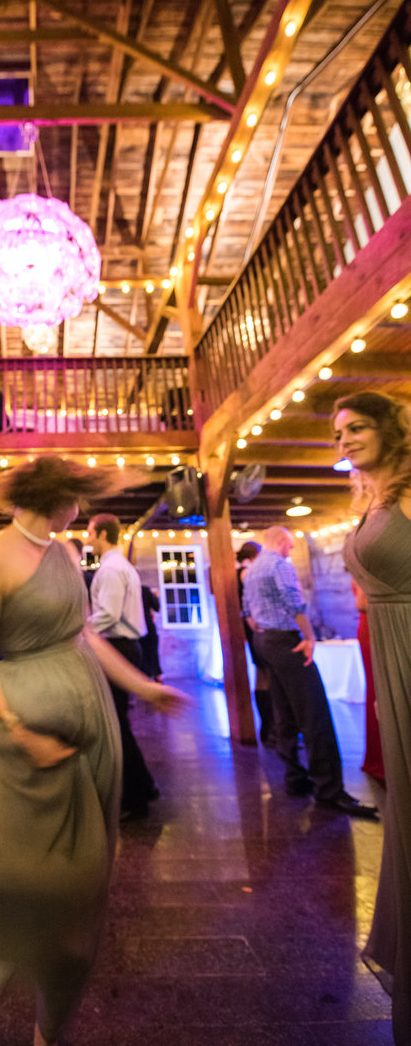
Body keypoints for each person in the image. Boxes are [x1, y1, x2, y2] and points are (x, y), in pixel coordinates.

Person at [0, 456, 189, 1046]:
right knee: (59, 868)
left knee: (95, 870)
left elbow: (85, 634)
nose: (80, 508)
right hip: (31, 723)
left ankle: (49, 1017)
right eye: (76, 496)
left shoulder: (67, 552)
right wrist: (20, 728)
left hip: (91, 711)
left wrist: (143, 686)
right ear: (60, 497)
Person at [333, 390, 411, 1042]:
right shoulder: (375, 498)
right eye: (339, 431)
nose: (346, 438)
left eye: (358, 426)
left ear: (391, 428)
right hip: (389, 658)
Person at [241, 524, 377, 819]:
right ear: (280, 541)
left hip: (264, 640)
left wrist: (265, 632)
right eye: (289, 545)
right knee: (315, 714)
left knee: (285, 713)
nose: (291, 550)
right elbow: (294, 602)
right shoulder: (278, 564)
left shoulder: (251, 570)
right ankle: (329, 790)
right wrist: (309, 637)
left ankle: (295, 779)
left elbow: (247, 612)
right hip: (286, 641)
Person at [85, 513, 159, 821]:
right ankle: (144, 786)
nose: (87, 537)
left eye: (90, 532)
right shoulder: (118, 566)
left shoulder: (113, 569)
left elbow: (109, 614)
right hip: (125, 646)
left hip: (118, 647)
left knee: (115, 724)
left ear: (102, 534)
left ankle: (136, 797)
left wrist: (78, 630)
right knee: (117, 722)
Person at [236, 541, 276, 747]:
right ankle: (270, 728)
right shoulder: (248, 573)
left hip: (253, 628)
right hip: (257, 628)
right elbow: (251, 603)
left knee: (263, 675)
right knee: (266, 675)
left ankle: (269, 728)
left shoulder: (242, 572)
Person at [350, 578, 385, 783]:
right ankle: (382, 759)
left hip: (380, 624)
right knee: (378, 690)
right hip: (375, 626)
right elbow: (361, 603)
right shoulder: (363, 566)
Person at [140, 585, 162, 679]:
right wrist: (156, 596)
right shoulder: (145, 590)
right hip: (148, 625)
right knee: (152, 651)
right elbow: (156, 607)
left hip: (136, 625)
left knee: (142, 653)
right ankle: (156, 675)